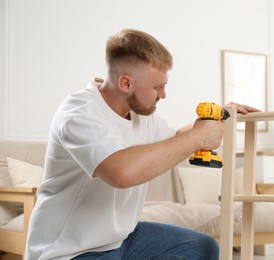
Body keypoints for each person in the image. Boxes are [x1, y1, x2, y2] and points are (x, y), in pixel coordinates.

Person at [25, 29, 260, 260]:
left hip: (121, 240)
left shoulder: (141, 115)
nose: (164, 94)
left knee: (202, 247)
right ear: (126, 83)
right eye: (158, 87)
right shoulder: (79, 114)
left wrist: (219, 116)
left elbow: (174, 139)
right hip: (71, 251)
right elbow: (122, 173)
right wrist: (198, 137)